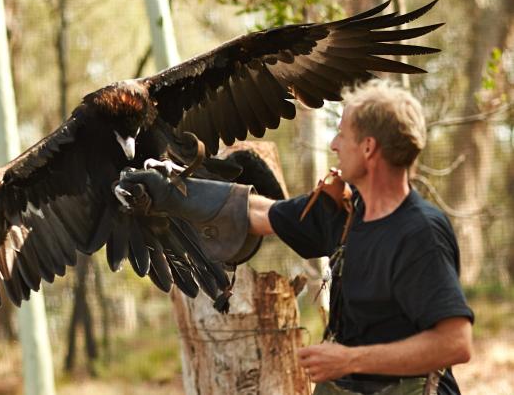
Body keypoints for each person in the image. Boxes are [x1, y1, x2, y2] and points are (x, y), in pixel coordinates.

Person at [117, 79, 474, 395]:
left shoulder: (419, 233)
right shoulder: (346, 212)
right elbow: (258, 212)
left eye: (343, 135)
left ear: (368, 148)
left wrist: (349, 359)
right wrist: (169, 193)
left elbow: (455, 343)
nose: (334, 144)